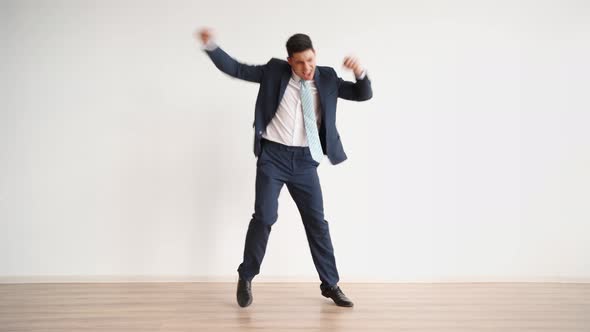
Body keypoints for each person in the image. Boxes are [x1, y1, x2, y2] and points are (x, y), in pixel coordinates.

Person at [195, 28, 373, 307]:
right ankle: (246, 276)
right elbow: (237, 69)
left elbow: (362, 94)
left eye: (311, 60)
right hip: (273, 158)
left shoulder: (326, 77)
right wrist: (211, 46)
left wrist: (360, 71)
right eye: (301, 62)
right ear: (289, 60)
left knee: (317, 223)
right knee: (265, 217)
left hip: (305, 161)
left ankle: (331, 284)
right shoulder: (274, 72)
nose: (307, 68)